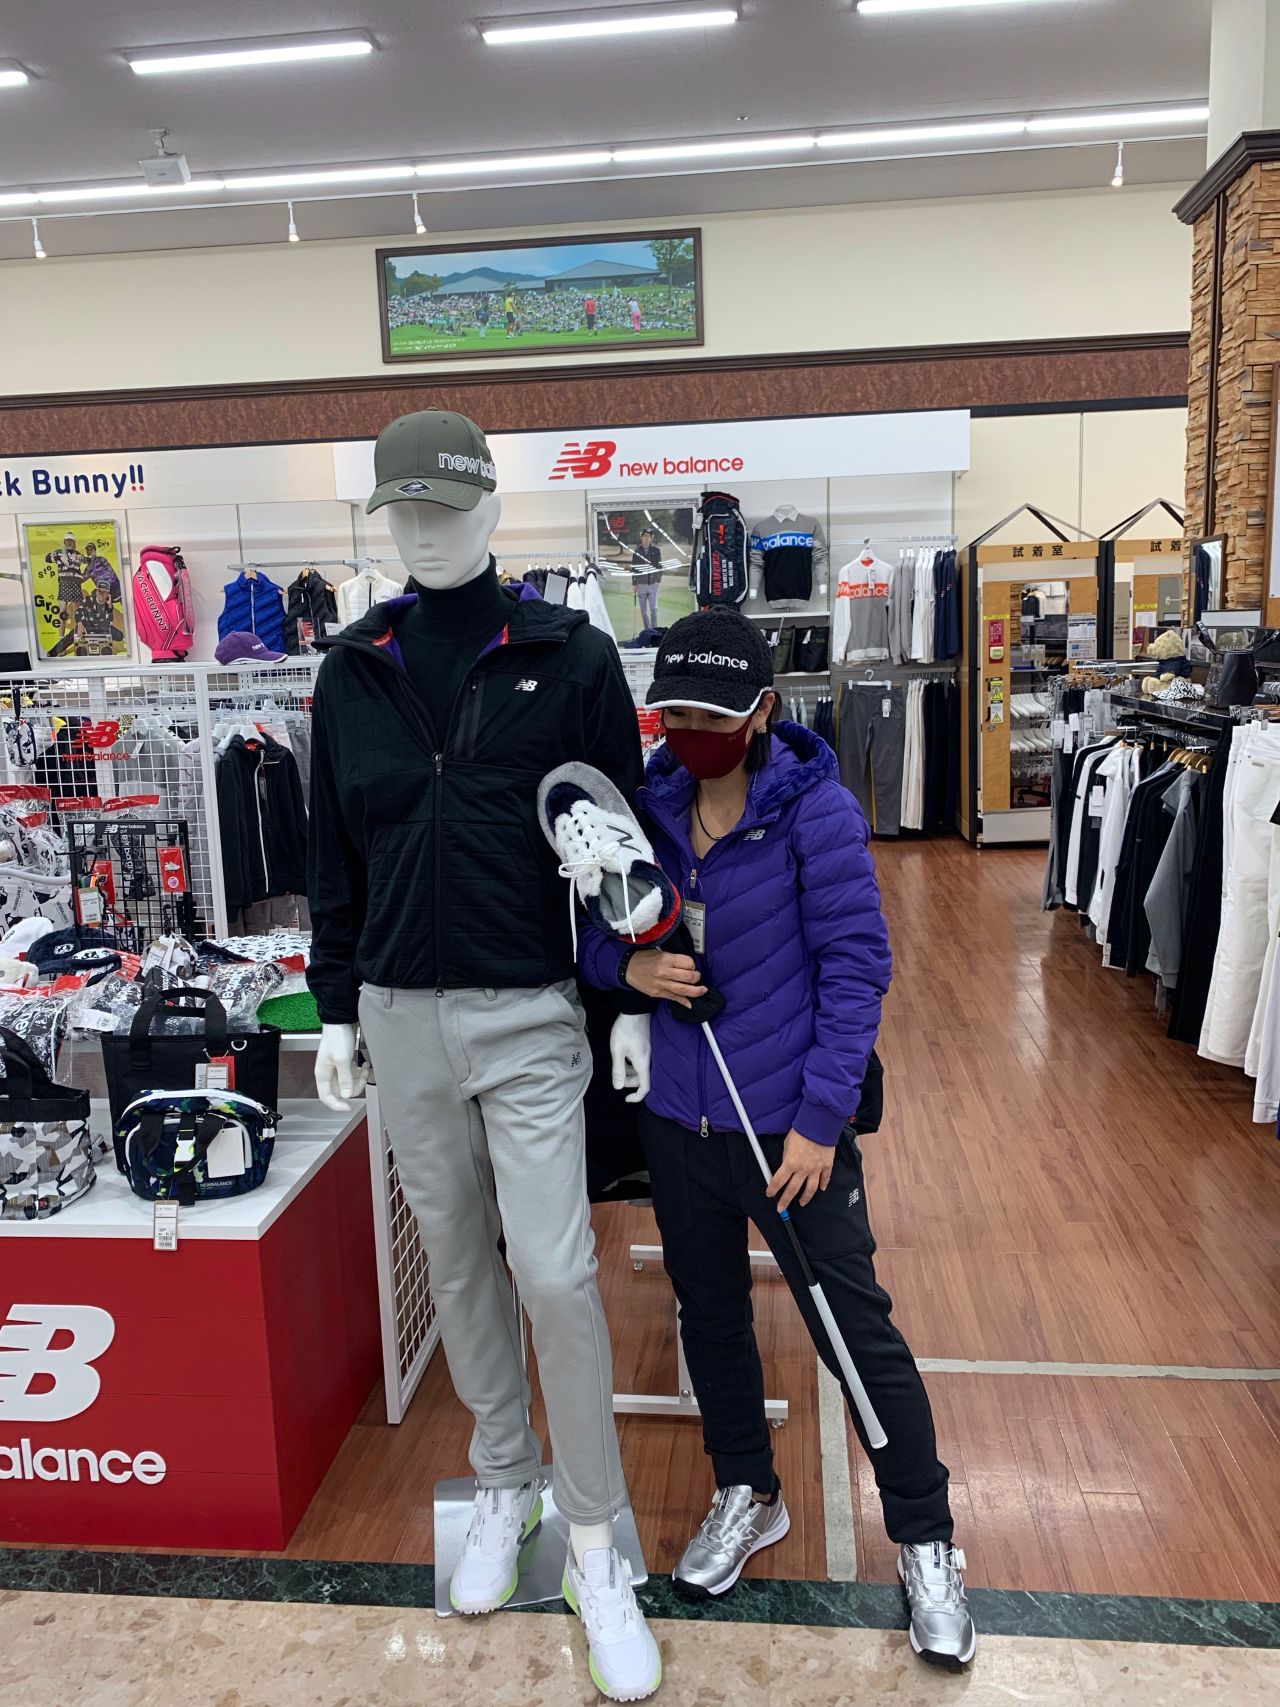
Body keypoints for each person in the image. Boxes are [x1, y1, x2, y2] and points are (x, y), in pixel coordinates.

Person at [578, 608, 977, 1668]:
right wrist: (630, 969)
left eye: (715, 717)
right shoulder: (649, 812)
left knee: (853, 1332)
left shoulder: (817, 813)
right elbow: (592, 936)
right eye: (677, 716)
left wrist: (817, 1123)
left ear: (761, 711)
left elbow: (856, 970)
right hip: (680, 1123)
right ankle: (747, 1491)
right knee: (708, 1318)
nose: (693, 735)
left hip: (789, 1136)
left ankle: (926, 1537)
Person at [631, 528, 663, 633]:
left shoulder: (656, 551)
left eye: (649, 536)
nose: (646, 538)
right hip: (641, 584)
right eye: (645, 536)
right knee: (643, 610)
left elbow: (659, 566)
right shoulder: (636, 552)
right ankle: (648, 630)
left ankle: (654, 630)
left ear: (651, 538)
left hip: (653, 584)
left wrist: (658, 580)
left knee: (653, 609)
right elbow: (634, 569)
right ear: (641, 537)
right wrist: (634, 583)